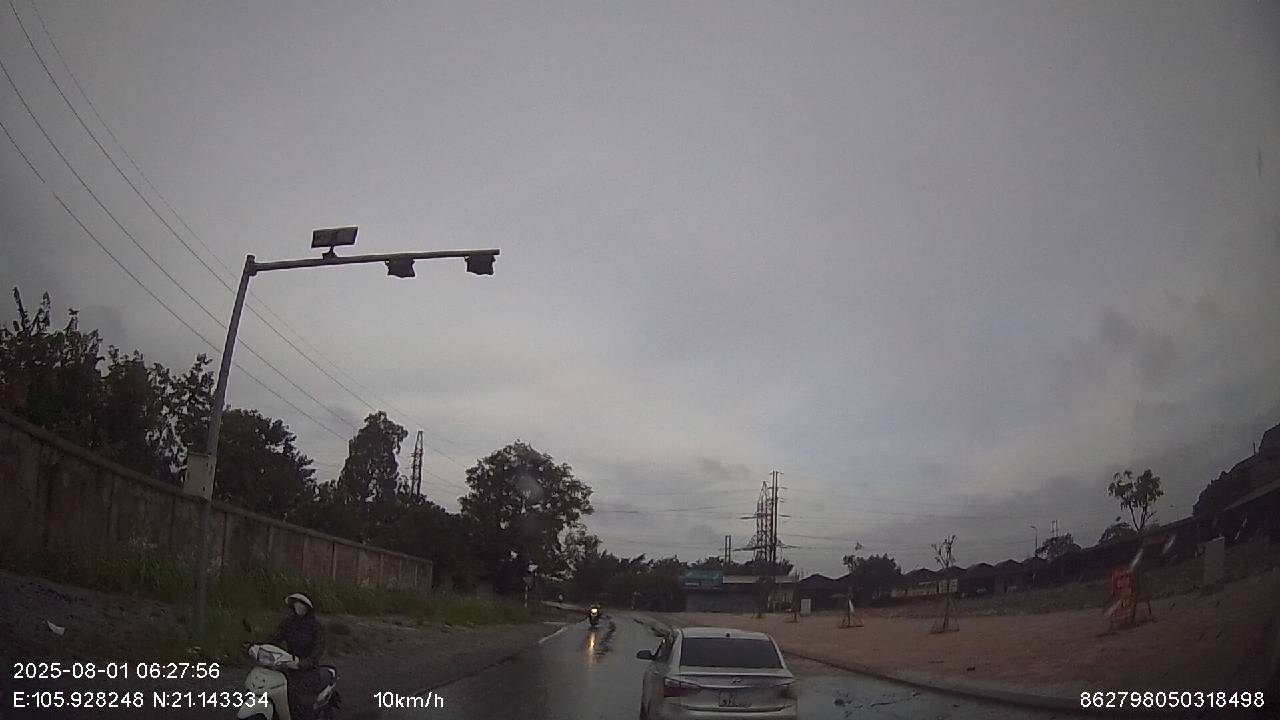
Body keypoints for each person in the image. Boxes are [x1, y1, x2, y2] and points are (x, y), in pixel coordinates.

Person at [265, 593, 327, 720]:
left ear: (308, 607)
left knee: (302, 701)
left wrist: (304, 663)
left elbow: (318, 649)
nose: (299, 607)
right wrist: (257, 647)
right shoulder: (288, 623)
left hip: (308, 669)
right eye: (296, 604)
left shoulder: (316, 626)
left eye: (302, 604)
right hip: (288, 664)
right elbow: (274, 638)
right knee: (273, 687)